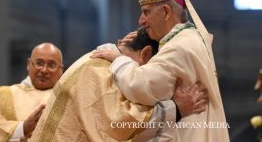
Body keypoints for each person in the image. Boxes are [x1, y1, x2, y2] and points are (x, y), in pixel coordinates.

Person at [92, 0, 230, 141]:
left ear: (166, 12)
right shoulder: (190, 39)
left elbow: (139, 85)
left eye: (146, 12)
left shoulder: (180, 46)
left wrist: (118, 58)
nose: (141, 20)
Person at [29, 28, 208, 142]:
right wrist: (176, 108)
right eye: (154, 69)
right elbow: (117, 126)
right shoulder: (97, 69)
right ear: (146, 54)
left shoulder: (104, 65)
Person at [0, 42, 64, 142]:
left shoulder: (68, 100)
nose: (44, 70)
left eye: (51, 65)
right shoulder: (1, 96)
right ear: (28, 64)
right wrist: (23, 128)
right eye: (39, 63)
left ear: (61, 70)